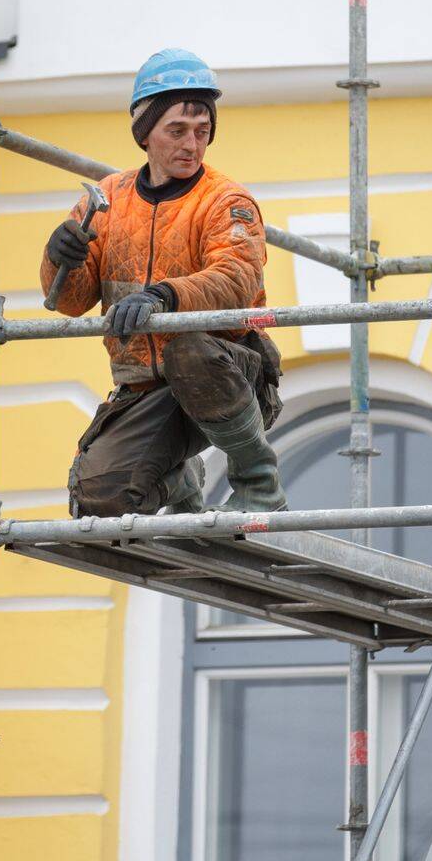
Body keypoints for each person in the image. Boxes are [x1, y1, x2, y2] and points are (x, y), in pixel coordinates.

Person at [39, 48, 289, 518]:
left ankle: (258, 481)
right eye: (177, 130)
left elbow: (236, 277)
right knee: (100, 499)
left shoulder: (225, 200)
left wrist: (164, 295)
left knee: (188, 349)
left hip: (227, 374)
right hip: (146, 391)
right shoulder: (109, 199)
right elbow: (69, 302)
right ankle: (180, 479)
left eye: (202, 131)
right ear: (145, 133)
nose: (191, 145)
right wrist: (60, 259)